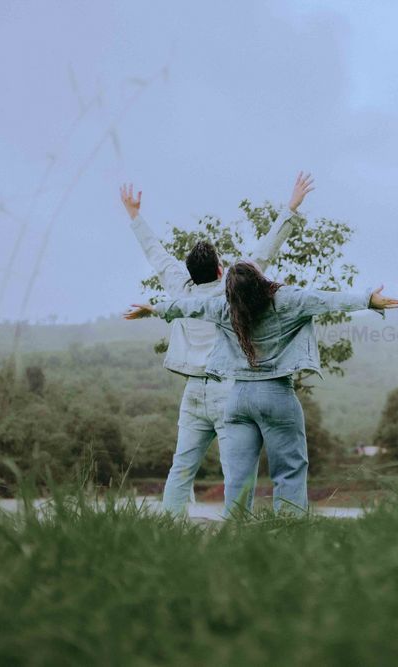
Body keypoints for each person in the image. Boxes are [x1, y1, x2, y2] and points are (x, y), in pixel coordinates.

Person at [125, 265, 398, 515]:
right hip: (276, 395)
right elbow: (326, 300)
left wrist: (153, 309)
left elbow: (190, 307)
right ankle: (288, 529)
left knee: (238, 478)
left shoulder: (225, 308)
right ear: (259, 280)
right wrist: (367, 300)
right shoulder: (285, 300)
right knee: (289, 470)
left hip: (238, 401)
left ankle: (236, 533)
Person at [119, 172, 315, 516]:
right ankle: (237, 528)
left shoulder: (181, 290)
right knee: (236, 471)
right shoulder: (234, 289)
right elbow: (267, 250)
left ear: (190, 273)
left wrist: (134, 215)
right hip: (228, 390)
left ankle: (169, 528)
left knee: (181, 468)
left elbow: (156, 254)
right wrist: (291, 207)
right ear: (221, 268)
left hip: (194, 391)